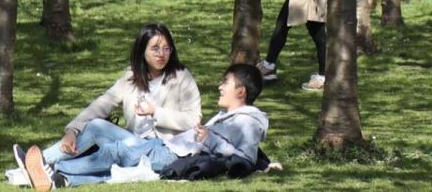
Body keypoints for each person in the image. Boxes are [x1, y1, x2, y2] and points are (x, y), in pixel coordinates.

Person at [21, 64, 268, 189]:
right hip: (168, 147)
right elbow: (104, 102)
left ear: (241, 90)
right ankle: (53, 173)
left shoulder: (247, 121)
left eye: (226, 82)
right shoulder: (231, 116)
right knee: (100, 131)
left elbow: (244, 158)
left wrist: (210, 139)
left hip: (174, 153)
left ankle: (51, 170)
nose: (219, 86)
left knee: (116, 153)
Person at [9, 23, 201, 181]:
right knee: (95, 126)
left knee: (113, 152)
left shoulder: (181, 77)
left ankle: (47, 170)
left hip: (162, 147)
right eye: (155, 48)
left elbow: (194, 119)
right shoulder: (132, 77)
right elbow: (103, 103)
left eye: (166, 48)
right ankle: (38, 162)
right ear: (142, 51)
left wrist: (156, 112)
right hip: (134, 141)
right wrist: (72, 130)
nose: (162, 54)